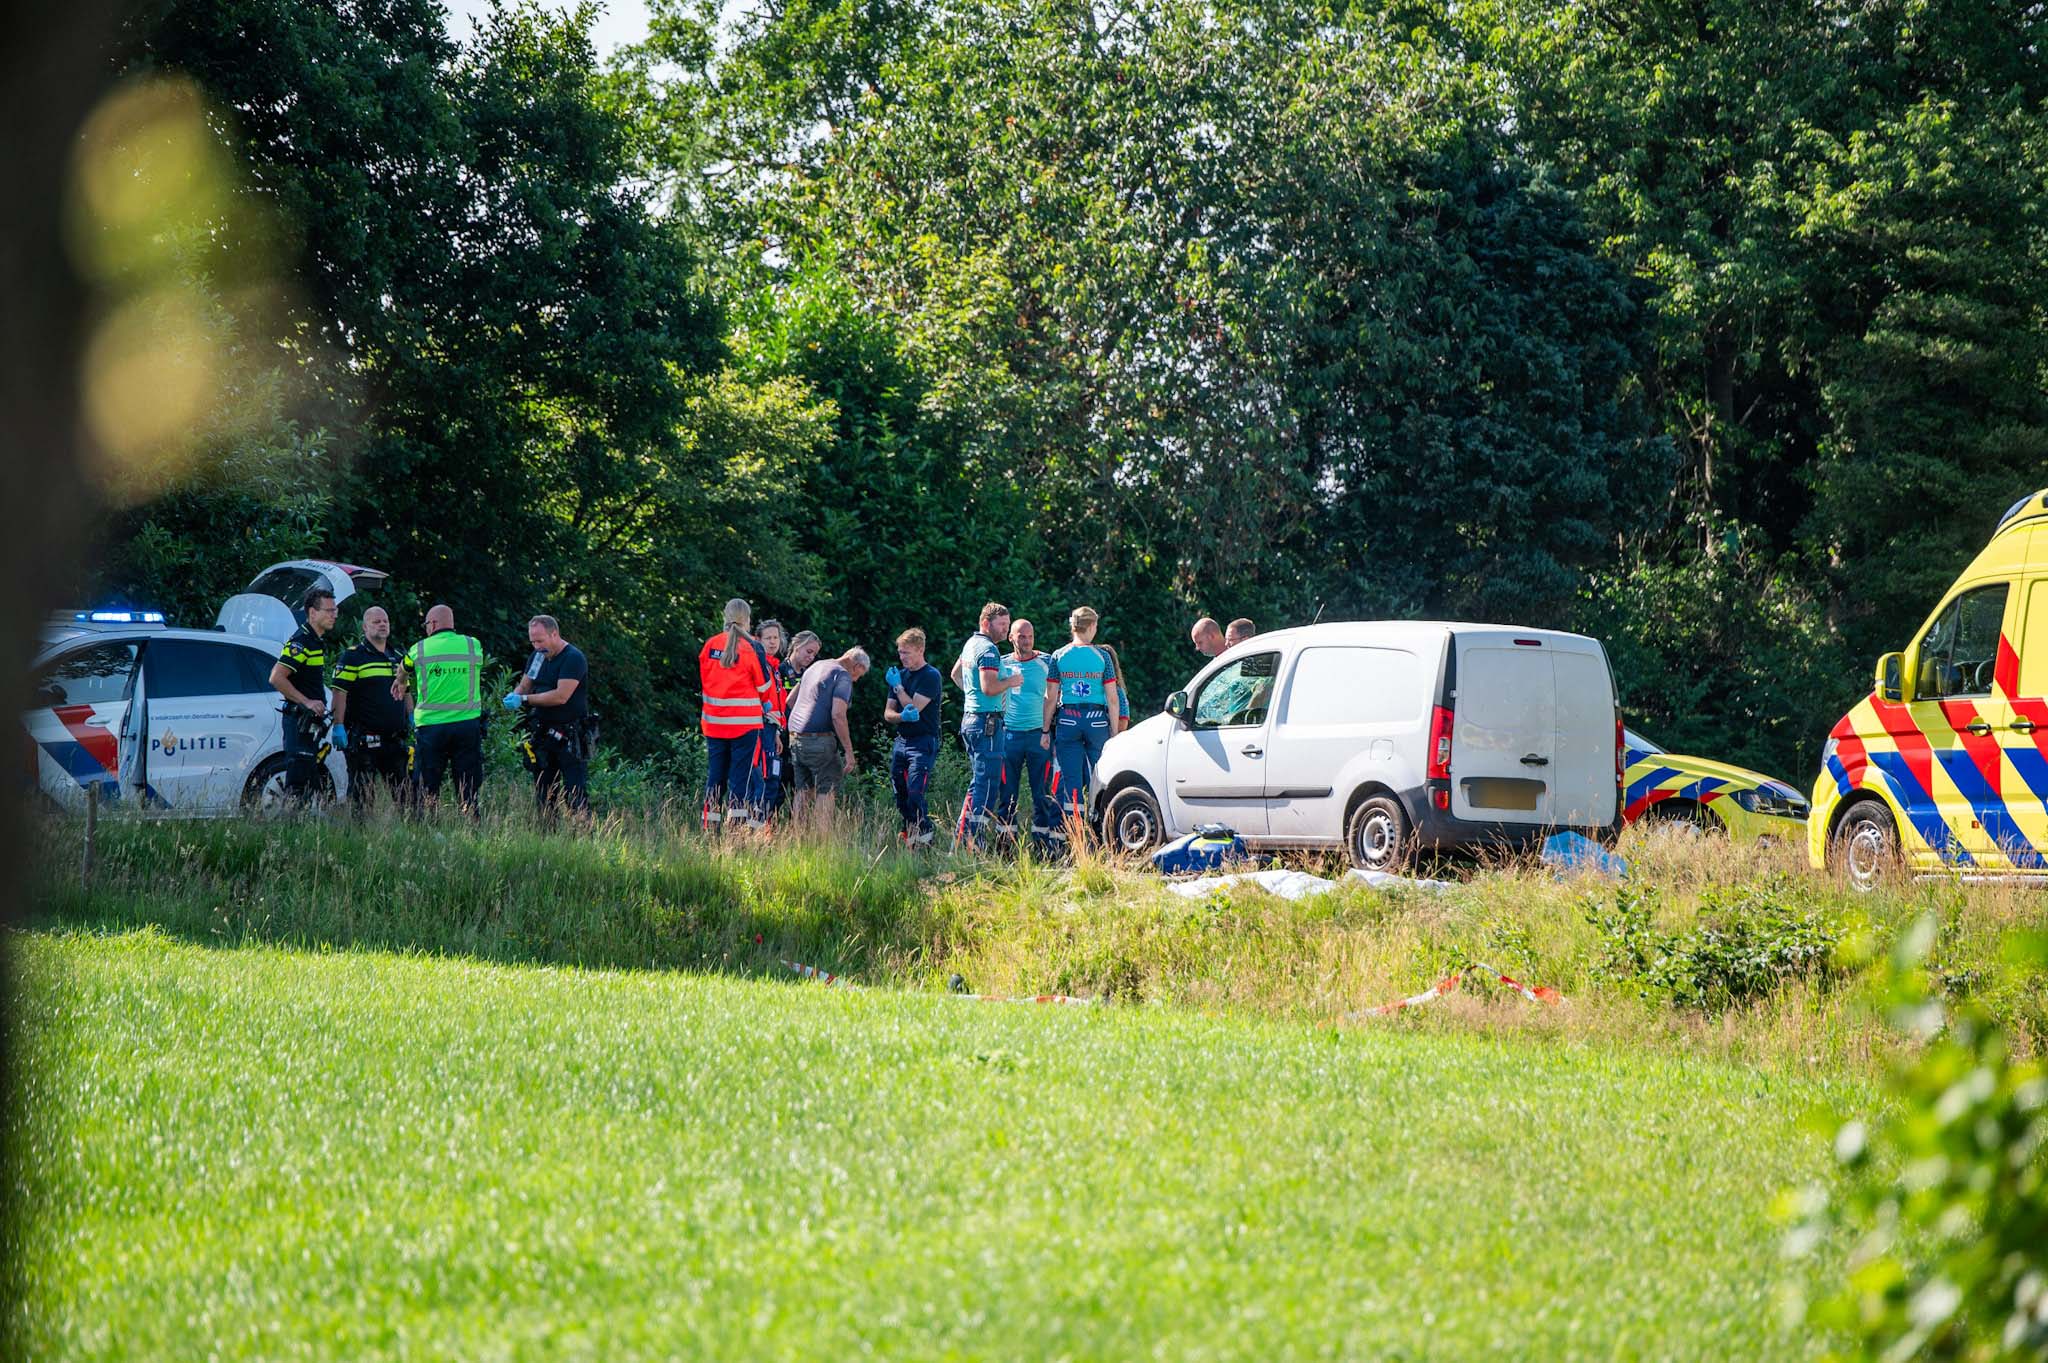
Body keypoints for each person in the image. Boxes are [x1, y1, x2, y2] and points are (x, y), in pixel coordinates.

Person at [394, 603, 485, 816]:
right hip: (467, 725)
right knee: (468, 783)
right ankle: (471, 824)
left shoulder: (419, 649)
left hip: (431, 728)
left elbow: (403, 668)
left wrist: (401, 681)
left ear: (433, 623)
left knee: (428, 783)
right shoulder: (473, 645)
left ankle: (428, 828)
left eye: (426, 624)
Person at [698, 598, 774, 834]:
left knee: (715, 776)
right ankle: (736, 830)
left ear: (725, 617)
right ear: (747, 620)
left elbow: (705, 681)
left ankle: (710, 827)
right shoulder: (752, 647)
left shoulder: (710, 645)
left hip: (714, 723)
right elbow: (764, 688)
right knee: (739, 779)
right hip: (745, 725)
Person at [1045, 606, 1121, 836]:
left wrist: (1044, 729)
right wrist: (1116, 734)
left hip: (1068, 720)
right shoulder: (1103, 657)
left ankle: (1074, 839)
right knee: (1103, 778)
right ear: (1090, 627)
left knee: (1072, 782)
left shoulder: (1059, 655)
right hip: (1097, 721)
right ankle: (1103, 834)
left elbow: (1050, 697)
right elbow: (1112, 698)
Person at [504, 614, 590, 818]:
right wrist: (514, 695)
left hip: (571, 736)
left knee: (575, 794)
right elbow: (525, 685)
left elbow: (561, 696)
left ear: (554, 634)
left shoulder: (573, 658)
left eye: (540, 640)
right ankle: (546, 837)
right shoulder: (538, 657)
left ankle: (584, 840)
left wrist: (524, 700)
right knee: (544, 793)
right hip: (543, 734)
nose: (536, 646)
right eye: (532, 641)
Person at [329, 604, 412, 814]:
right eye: (377, 621)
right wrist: (338, 725)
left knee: (407, 798)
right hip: (364, 741)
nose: (382, 624)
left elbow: (406, 690)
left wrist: (411, 715)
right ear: (365, 628)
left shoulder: (398, 656)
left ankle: (412, 837)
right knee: (362, 799)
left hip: (394, 740)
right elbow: (339, 692)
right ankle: (360, 838)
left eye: (385, 621)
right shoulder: (353, 656)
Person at [952, 602, 1020, 849]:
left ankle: (962, 839)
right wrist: (1011, 681)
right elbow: (989, 687)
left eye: (1007, 625)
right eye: (1002, 625)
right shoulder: (989, 650)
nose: (1006, 630)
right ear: (985, 623)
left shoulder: (970, 645)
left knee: (978, 781)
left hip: (971, 719)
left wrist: (972, 697)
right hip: (987, 723)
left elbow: (955, 674)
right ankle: (973, 841)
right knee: (987, 784)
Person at [268, 585, 339, 806]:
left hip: (309, 725)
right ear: (312, 613)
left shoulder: (315, 641)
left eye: (335, 610)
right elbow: (277, 677)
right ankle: (289, 830)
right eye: (328, 610)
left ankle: (308, 831)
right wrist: (306, 701)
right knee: (298, 784)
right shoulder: (301, 642)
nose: (334, 615)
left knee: (311, 784)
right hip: (298, 721)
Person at [996, 618, 1059, 856]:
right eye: (1021, 636)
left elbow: (1056, 696)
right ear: (1011, 637)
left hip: (1038, 737)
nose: (1027, 640)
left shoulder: (1046, 661)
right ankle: (1005, 848)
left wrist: (1051, 732)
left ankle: (1042, 848)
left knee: (1042, 793)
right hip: (1009, 736)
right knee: (1007, 794)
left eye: (1030, 636)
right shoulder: (1001, 664)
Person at [787, 646, 870, 826]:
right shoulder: (843, 676)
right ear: (856, 666)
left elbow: (790, 701)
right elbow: (838, 715)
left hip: (795, 737)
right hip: (820, 741)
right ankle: (822, 842)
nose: (855, 680)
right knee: (827, 789)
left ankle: (797, 838)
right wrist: (849, 751)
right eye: (858, 675)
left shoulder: (816, 666)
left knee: (803, 789)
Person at [882, 628, 944, 846]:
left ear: (920, 650)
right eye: (900, 652)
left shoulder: (930, 676)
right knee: (900, 794)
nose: (902, 657)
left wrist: (898, 688)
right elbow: (888, 713)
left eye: (906, 653)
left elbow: (914, 708)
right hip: (902, 741)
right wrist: (901, 716)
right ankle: (911, 833)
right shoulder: (900, 675)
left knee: (915, 792)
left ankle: (925, 834)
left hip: (923, 741)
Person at [757, 620, 798, 816]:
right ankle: (755, 829)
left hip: (772, 732)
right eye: (768, 638)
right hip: (760, 730)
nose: (773, 642)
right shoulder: (759, 665)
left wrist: (775, 734)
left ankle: (764, 828)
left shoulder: (774, 667)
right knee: (766, 779)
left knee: (773, 780)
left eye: (775, 638)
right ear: (758, 640)